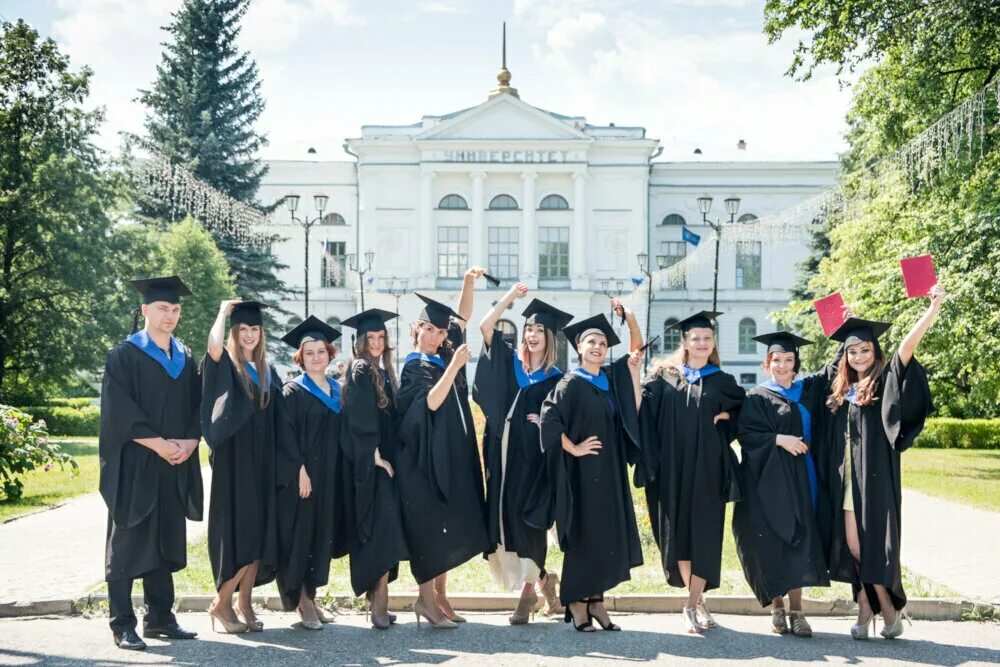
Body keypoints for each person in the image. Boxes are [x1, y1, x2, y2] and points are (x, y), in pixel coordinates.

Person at [823, 286, 944, 640]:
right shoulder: (842, 387)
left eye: (865, 349)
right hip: (847, 480)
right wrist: (843, 324)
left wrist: (931, 310)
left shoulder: (884, 381)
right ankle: (871, 607)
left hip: (875, 479)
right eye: (853, 351)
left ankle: (882, 610)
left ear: (875, 352)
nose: (859, 356)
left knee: (874, 547)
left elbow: (907, 348)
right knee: (855, 548)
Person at [98, 276, 203, 651]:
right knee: (128, 540)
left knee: (163, 540)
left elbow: (197, 405)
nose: (170, 315)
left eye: (175, 309)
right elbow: (119, 413)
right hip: (136, 462)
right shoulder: (124, 355)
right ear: (145, 310)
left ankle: (160, 617)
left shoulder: (185, 357)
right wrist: (160, 445)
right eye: (162, 308)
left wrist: (190, 442)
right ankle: (122, 622)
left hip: (173, 461)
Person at [639, 311, 745, 634]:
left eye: (707, 338)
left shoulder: (722, 381)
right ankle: (697, 599)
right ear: (684, 341)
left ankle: (689, 605)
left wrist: (726, 415)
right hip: (671, 469)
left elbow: (746, 411)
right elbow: (641, 412)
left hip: (708, 470)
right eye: (695, 338)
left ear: (713, 343)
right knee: (678, 537)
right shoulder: (663, 376)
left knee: (706, 535)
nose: (701, 343)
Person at [539, 312, 644, 633]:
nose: (597, 347)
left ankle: (597, 601)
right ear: (579, 348)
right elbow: (549, 418)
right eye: (591, 343)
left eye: (602, 343)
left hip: (609, 472)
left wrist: (631, 318)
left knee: (606, 534)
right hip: (583, 475)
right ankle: (577, 602)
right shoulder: (571, 383)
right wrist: (574, 448)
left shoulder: (610, 380)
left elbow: (636, 350)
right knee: (586, 534)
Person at [396, 269, 489, 629]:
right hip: (424, 458)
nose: (436, 336)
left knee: (450, 521)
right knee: (432, 526)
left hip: (450, 451)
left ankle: (440, 596)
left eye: (439, 331)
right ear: (416, 329)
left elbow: (461, 318)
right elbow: (430, 404)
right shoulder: (415, 366)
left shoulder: (444, 352)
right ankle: (425, 601)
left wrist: (468, 283)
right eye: (429, 329)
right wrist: (453, 366)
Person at [474, 286, 573, 623]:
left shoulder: (556, 379)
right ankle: (546, 581)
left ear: (550, 339)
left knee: (528, 522)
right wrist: (509, 299)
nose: (532, 335)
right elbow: (485, 327)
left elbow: (563, 421)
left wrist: (544, 421)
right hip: (500, 453)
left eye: (539, 331)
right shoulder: (507, 359)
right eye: (528, 328)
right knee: (505, 521)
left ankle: (527, 595)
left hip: (533, 461)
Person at [732, 331, 839, 637]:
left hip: (804, 477)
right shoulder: (756, 397)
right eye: (776, 360)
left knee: (802, 539)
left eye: (788, 360)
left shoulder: (808, 390)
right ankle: (778, 608)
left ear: (796, 363)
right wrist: (779, 439)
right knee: (772, 540)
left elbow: (833, 368)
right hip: (769, 481)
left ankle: (798, 610)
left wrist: (845, 328)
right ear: (767, 364)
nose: (782, 365)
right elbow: (747, 435)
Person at [200, 300, 282, 634]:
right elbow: (214, 346)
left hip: (262, 460)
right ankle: (221, 603)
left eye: (255, 330)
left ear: (261, 334)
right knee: (242, 532)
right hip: (235, 462)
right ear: (235, 332)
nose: (249, 335)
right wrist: (221, 312)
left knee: (260, 532)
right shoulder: (228, 365)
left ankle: (244, 602)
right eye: (243, 330)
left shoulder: (266, 369)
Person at [276, 316, 348, 630]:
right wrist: (299, 471)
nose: (316, 357)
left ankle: (313, 595)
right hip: (304, 477)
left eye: (321, 351)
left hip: (330, 476)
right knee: (302, 536)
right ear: (301, 358)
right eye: (309, 353)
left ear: (329, 354)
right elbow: (285, 435)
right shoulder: (293, 391)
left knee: (322, 537)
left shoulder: (338, 391)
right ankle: (302, 601)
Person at [340, 308, 410, 630]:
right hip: (372, 468)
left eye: (381, 337)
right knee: (380, 534)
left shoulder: (381, 371)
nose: (378, 342)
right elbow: (359, 417)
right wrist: (375, 455)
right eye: (371, 337)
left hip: (383, 467)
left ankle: (378, 600)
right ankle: (379, 606)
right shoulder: (361, 370)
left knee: (384, 533)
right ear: (360, 341)